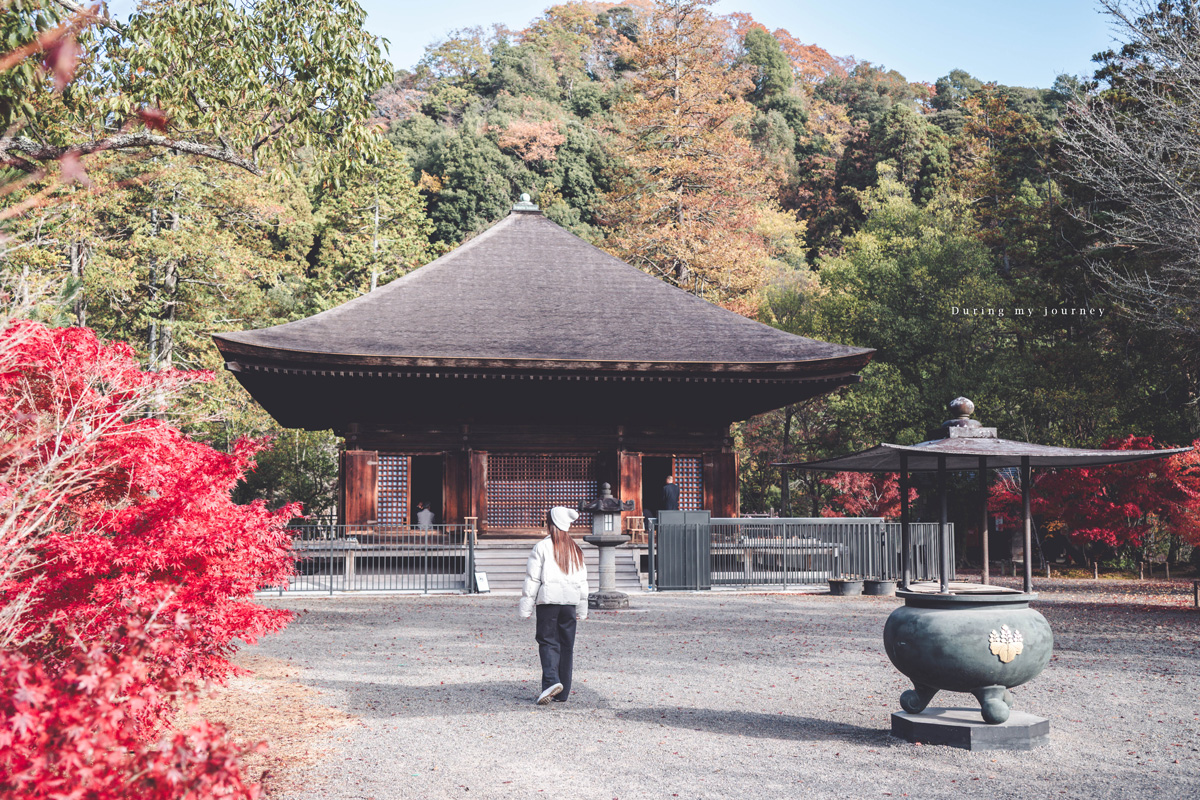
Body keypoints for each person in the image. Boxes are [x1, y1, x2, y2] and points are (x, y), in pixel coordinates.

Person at [518, 506, 589, 705]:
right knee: (567, 645)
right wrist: (583, 609)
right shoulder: (576, 549)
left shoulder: (541, 547)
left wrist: (526, 607)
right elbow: (583, 582)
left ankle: (551, 681)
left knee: (548, 641)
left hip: (548, 601)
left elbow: (533, 579)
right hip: (570, 603)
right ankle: (563, 691)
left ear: (552, 524)